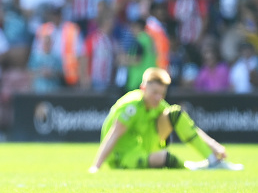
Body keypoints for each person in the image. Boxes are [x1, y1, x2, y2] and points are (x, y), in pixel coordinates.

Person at [89, 67, 244, 172]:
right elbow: (113, 135)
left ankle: (213, 161)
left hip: (144, 146)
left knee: (176, 113)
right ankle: (191, 168)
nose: (158, 98)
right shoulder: (131, 106)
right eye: (154, 92)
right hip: (123, 156)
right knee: (164, 157)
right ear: (143, 88)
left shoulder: (157, 103)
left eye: (162, 94)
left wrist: (214, 145)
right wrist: (96, 166)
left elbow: (189, 126)